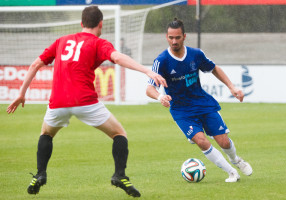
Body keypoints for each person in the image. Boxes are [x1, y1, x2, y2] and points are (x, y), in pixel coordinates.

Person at [6, 6, 167, 197]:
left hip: (58, 102)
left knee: (46, 134)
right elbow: (117, 57)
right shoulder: (99, 43)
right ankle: (119, 175)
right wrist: (147, 70)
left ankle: (40, 174)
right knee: (119, 134)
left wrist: (21, 93)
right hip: (85, 101)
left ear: (81, 23)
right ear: (101, 24)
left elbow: (35, 64)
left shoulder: (61, 41)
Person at [146, 18, 252, 183]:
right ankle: (232, 173)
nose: (174, 41)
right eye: (170, 37)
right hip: (181, 110)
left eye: (177, 37)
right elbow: (149, 88)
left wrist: (232, 87)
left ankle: (236, 160)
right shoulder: (161, 61)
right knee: (201, 141)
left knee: (223, 141)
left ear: (184, 36)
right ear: (166, 37)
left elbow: (214, 68)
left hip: (202, 103)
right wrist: (160, 96)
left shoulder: (196, 54)